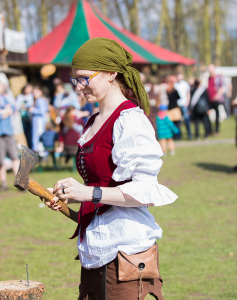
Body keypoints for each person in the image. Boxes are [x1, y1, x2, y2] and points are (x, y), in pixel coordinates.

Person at [43, 38, 177, 300]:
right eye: (75, 80)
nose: (79, 87)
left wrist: (88, 192)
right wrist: (67, 203)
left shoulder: (130, 120)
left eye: (84, 78)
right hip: (94, 253)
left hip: (126, 254)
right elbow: (102, 208)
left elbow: (145, 190)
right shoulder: (92, 121)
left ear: (111, 74)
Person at [0, 80, 20, 191]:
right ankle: (4, 184)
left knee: (15, 156)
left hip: (8, 131)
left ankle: (20, 182)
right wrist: (5, 112)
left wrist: (3, 112)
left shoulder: (3, 97)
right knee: (0, 159)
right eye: (1, 85)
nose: (3, 87)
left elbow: (12, 108)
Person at [59, 105, 85, 171]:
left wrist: (61, 146)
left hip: (67, 145)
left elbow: (61, 135)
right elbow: (85, 129)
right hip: (77, 145)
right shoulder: (79, 120)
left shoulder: (63, 120)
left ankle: (68, 156)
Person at [29, 85, 49, 153]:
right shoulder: (38, 100)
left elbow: (42, 111)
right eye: (33, 92)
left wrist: (32, 110)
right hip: (38, 121)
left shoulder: (40, 100)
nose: (34, 94)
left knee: (38, 135)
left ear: (40, 92)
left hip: (39, 121)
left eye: (36, 92)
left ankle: (38, 151)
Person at [207, 64, 225, 136]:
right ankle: (209, 130)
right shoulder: (208, 78)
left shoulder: (218, 77)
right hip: (210, 99)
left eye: (211, 69)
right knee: (207, 114)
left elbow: (222, 87)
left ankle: (216, 131)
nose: (210, 70)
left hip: (216, 99)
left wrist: (217, 96)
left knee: (217, 115)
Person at [16, 84, 34, 149]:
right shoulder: (20, 96)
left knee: (32, 134)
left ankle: (34, 148)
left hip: (31, 118)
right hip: (23, 118)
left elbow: (31, 106)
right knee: (26, 134)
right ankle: (30, 148)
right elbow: (17, 106)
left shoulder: (32, 96)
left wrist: (24, 106)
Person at [175, 73, 192, 139]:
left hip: (184, 104)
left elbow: (188, 93)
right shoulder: (175, 84)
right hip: (178, 105)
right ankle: (179, 135)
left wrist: (187, 102)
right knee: (178, 121)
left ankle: (189, 134)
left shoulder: (185, 84)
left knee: (187, 120)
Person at [167, 75, 181, 140]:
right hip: (175, 108)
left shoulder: (167, 90)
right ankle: (178, 136)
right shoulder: (174, 90)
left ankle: (173, 136)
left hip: (169, 108)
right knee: (177, 123)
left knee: (171, 123)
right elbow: (179, 97)